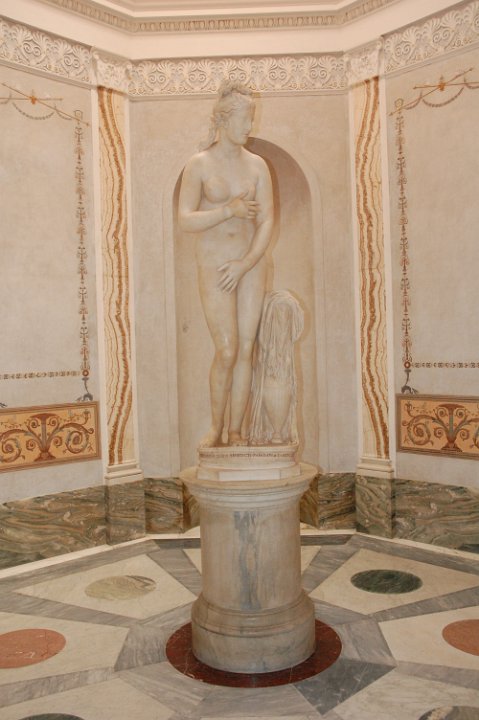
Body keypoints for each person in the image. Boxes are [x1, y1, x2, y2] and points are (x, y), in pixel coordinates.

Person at [178, 82, 274, 447]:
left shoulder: (258, 166)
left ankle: (236, 431)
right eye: (245, 118)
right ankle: (216, 427)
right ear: (223, 119)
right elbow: (185, 219)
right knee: (228, 349)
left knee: (247, 348)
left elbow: (267, 221)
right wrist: (228, 211)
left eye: (252, 117)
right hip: (215, 266)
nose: (250, 125)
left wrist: (245, 263)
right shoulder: (199, 164)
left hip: (250, 264)